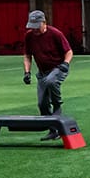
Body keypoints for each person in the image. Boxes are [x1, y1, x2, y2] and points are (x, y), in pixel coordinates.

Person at [22, 10, 73, 140]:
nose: (34, 30)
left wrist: (66, 63)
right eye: (32, 27)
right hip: (42, 73)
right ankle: (53, 130)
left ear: (44, 22)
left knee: (51, 81)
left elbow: (69, 51)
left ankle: (57, 104)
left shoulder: (55, 34)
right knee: (41, 103)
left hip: (58, 68)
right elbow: (27, 56)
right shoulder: (29, 36)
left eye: (36, 26)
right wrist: (27, 72)